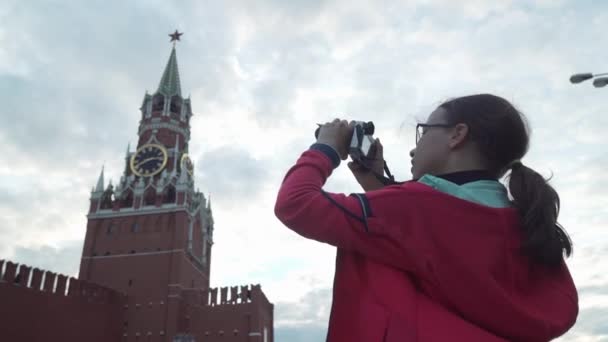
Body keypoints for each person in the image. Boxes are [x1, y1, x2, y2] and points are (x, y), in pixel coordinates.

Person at [274, 94, 578, 341]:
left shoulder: (411, 208)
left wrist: (325, 148)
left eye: (424, 131)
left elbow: (296, 204)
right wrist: (377, 184)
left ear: (457, 135)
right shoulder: (524, 222)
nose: (415, 146)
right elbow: (418, 244)